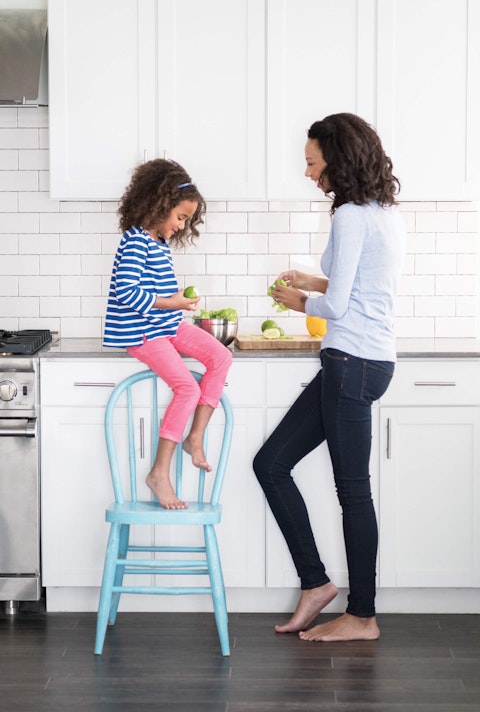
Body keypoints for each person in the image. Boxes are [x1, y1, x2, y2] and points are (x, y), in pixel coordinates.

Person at [253, 112, 406, 642]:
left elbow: (338, 305)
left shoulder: (349, 217)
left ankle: (362, 616)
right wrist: (313, 279)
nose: (307, 172)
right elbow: (360, 285)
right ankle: (316, 585)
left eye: (312, 162)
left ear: (336, 160)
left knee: (353, 493)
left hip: (351, 363)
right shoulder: (382, 211)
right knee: (270, 464)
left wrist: (299, 300)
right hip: (366, 361)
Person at [104, 158, 232, 510]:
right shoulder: (135, 243)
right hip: (140, 332)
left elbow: (155, 294)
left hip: (164, 325)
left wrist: (176, 306)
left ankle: (195, 436)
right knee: (187, 387)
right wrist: (171, 303)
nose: (181, 225)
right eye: (180, 217)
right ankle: (159, 472)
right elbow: (127, 294)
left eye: (187, 220)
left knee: (221, 357)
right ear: (158, 205)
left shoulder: (156, 242)